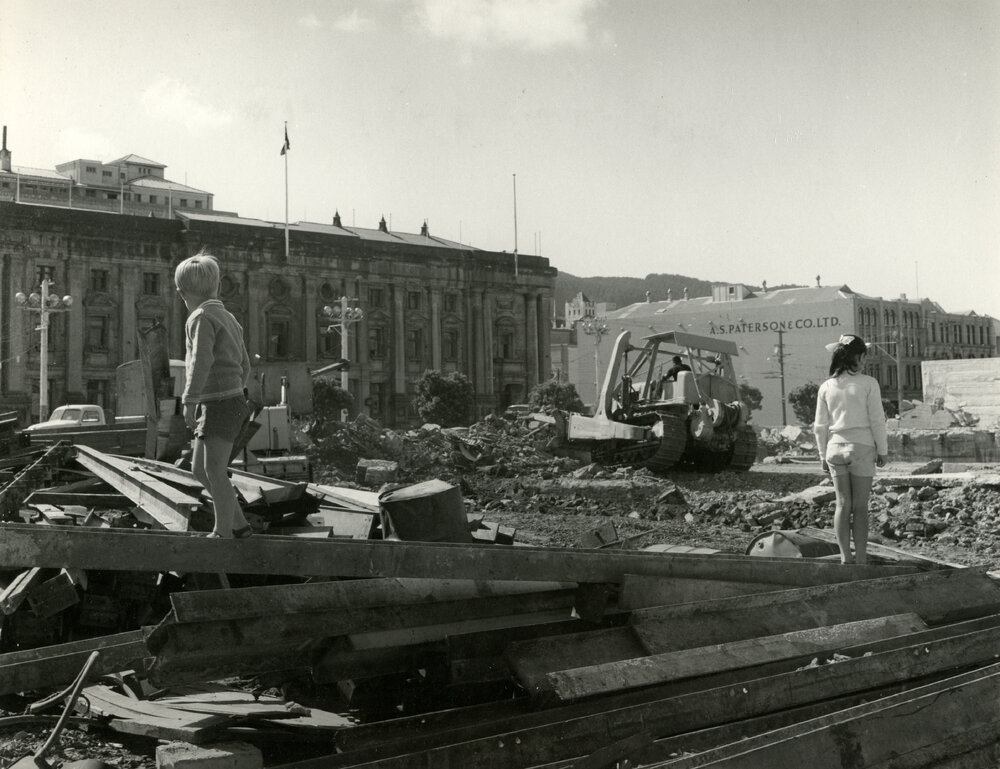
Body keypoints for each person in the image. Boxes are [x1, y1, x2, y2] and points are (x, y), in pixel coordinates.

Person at [175, 250, 253, 539]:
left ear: (181, 292)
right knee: (199, 469)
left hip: (220, 404)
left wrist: (190, 399)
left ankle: (222, 532)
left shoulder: (200, 317)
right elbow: (244, 364)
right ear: (216, 286)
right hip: (227, 401)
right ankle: (239, 525)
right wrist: (234, 389)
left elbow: (200, 361)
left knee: (214, 470)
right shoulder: (228, 317)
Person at [813, 334, 888, 564]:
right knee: (860, 507)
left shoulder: (826, 386)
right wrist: (882, 450)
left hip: (835, 448)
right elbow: (877, 420)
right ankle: (861, 560)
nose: (865, 361)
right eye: (863, 356)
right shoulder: (868, 383)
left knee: (842, 505)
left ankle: (846, 558)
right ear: (857, 356)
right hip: (862, 447)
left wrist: (822, 455)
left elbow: (819, 426)